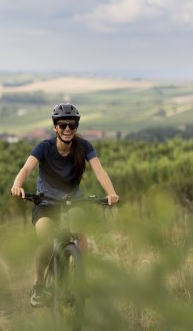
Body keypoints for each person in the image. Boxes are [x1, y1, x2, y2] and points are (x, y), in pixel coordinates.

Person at [10, 103, 119, 307]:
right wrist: (17, 185)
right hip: (46, 201)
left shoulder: (84, 147)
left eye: (72, 125)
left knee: (79, 228)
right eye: (62, 125)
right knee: (45, 241)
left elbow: (99, 170)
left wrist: (111, 193)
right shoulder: (44, 147)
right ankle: (39, 284)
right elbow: (26, 169)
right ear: (55, 127)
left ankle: (80, 277)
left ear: (76, 127)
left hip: (72, 199)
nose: (67, 129)